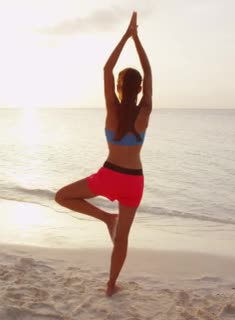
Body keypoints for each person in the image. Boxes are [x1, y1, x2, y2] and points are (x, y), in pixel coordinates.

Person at [54, 11, 152, 297]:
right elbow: (149, 72)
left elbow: (106, 70)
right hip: (134, 181)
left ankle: (106, 219)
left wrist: (126, 35)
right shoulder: (144, 110)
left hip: (109, 176)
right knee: (122, 240)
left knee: (62, 196)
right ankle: (110, 285)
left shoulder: (112, 108)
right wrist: (138, 40)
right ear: (141, 88)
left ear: (120, 88)